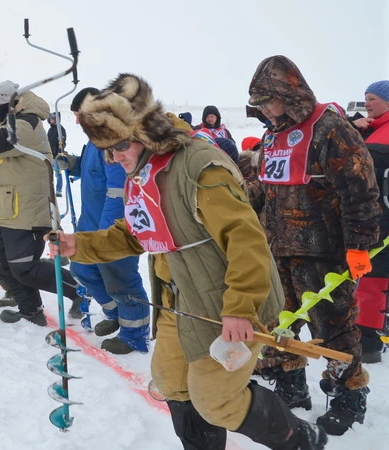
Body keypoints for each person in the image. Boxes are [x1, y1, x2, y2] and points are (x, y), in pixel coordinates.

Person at [50, 73, 326, 449]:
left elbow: (246, 240)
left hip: (223, 303)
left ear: (144, 131)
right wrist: (76, 245)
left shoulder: (201, 167)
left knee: (215, 400)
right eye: (107, 150)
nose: (114, 158)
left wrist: (241, 308)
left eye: (118, 146)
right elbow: (136, 231)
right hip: (178, 302)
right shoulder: (144, 170)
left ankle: (301, 439)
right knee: (172, 382)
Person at [246, 55, 380, 437]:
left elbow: (360, 190)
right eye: (260, 105)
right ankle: (291, 383)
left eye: (270, 101)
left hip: (324, 252)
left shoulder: (329, 127)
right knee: (281, 322)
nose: (266, 111)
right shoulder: (273, 135)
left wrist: (358, 245)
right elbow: (267, 188)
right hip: (278, 248)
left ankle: (347, 394)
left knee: (335, 327)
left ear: (290, 95)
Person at [0, 79, 82, 325]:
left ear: (16, 101)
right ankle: (31, 309)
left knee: (24, 267)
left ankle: (79, 290)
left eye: (0, 105)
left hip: (27, 210)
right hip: (9, 208)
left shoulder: (27, 124)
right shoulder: (13, 119)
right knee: (4, 265)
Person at [58, 87, 151, 355]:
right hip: (90, 220)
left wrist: (107, 232)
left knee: (120, 278)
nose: (76, 121)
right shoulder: (93, 142)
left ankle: (135, 334)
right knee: (83, 270)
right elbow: (93, 171)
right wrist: (72, 163)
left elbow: (118, 189)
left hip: (111, 224)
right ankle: (115, 315)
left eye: (79, 115)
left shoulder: (113, 139)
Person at [350, 79, 389, 364]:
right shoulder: (370, 130)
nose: (367, 103)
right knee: (365, 275)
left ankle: (369, 340)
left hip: (383, 219)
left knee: (373, 280)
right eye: (365, 98)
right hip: (367, 217)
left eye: (372, 98)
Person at [47, 112, 67, 197]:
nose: (50, 120)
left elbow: (62, 142)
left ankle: (59, 190)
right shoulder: (50, 129)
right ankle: (49, 189)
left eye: (52, 118)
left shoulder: (60, 129)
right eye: (50, 118)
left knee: (58, 173)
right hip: (50, 154)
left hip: (57, 155)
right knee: (49, 172)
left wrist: (59, 152)